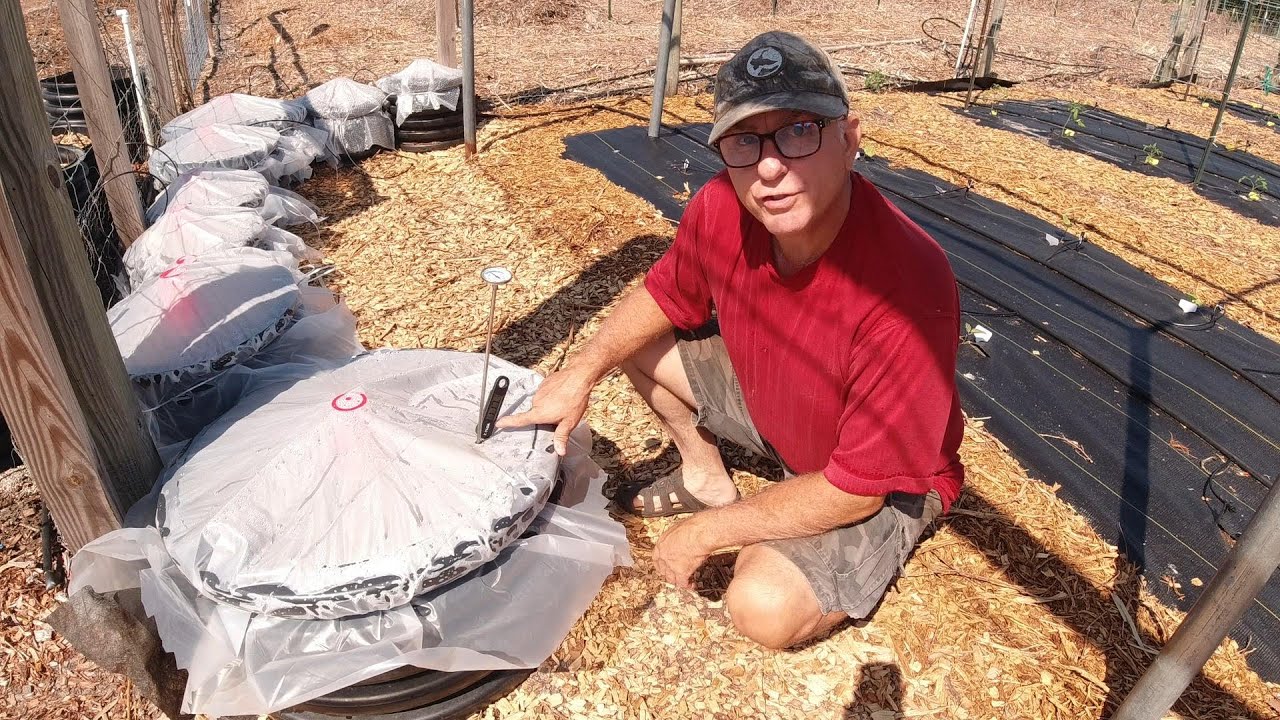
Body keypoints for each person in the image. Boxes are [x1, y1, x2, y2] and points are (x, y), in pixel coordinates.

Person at [498, 31, 964, 650]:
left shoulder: (906, 286)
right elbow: (664, 297)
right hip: (775, 399)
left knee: (762, 608)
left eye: (799, 131)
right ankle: (705, 476)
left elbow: (858, 490)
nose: (770, 167)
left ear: (850, 139)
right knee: (633, 341)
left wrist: (709, 533)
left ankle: (739, 515)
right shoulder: (723, 205)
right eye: (746, 141)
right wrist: (580, 374)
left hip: (879, 476)